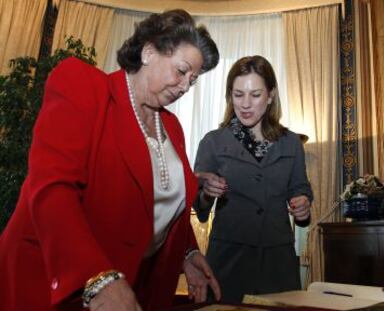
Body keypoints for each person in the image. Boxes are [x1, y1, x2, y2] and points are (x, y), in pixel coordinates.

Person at [0, 9, 221, 311]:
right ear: (148, 52)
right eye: (181, 71)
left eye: (193, 80)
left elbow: (160, 205)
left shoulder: (172, 127)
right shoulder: (83, 85)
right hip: (52, 282)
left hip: (128, 284)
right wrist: (97, 277)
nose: (185, 86)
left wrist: (187, 253)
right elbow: (52, 188)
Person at [193, 55, 313, 303]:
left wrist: (303, 204)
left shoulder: (291, 142)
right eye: (238, 95)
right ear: (230, 96)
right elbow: (200, 208)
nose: (245, 104)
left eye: (255, 95)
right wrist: (205, 193)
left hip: (278, 264)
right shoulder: (213, 142)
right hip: (228, 263)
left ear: (270, 95)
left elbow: (300, 190)